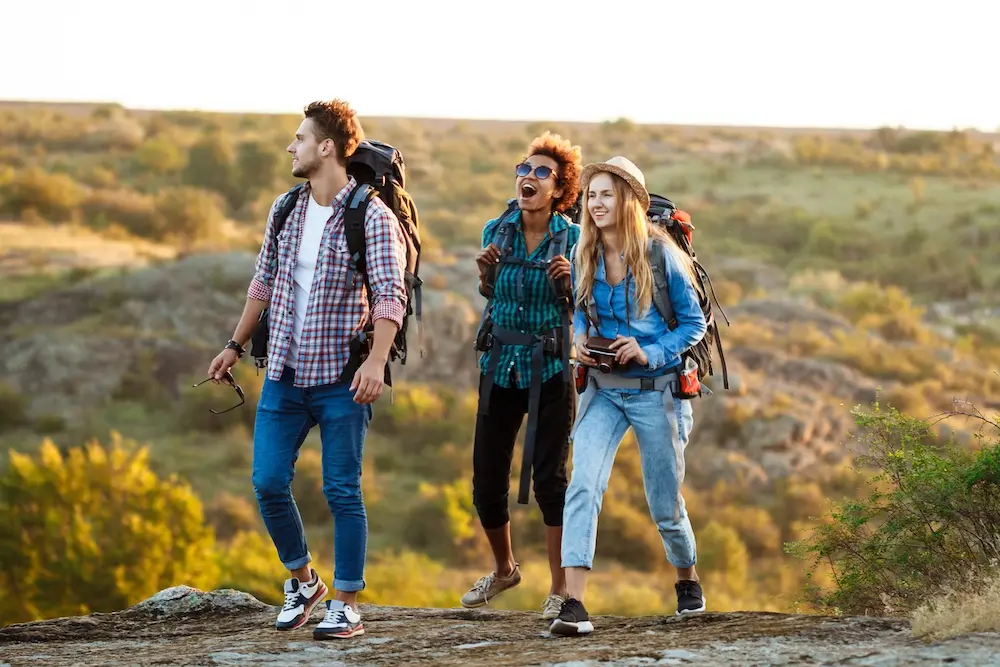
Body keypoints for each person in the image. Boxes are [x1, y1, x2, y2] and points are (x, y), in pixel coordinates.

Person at [205, 99, 408, 640]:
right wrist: (234, 344)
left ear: (326, 147)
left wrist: (375, 360)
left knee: (343, 490)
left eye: (298, 138)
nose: (290, 147)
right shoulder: (285, 208)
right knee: (268, 481)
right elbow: (263, 282)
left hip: (344, 377)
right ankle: (303, 580)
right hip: (284, 374)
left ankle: (346, 604)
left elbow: (391, 295)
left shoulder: (371, 214)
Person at [549, 156, 708, 637]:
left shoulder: (662, 257)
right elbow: (579, 310)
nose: (596, 204)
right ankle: (573, 604)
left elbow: (694, 325)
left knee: (664, 503)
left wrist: (648, 348)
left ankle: (686, 576)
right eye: (591, 195)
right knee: (582, 487)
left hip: (657, 392)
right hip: (602, 389)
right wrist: (578, 339)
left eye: (606, 194)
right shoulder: (584, 252)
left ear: (629, 202)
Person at [461, 133, 583, 621]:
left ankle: (559, 590)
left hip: (552, 367)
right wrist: (485, 274)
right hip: (499, 366)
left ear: (559, 189)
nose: (527, 178)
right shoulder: (497, 228)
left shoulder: (575, 240)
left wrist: (567, 282)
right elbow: (492, 293)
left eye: (540, 173)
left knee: (551, 483)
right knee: (486, 483)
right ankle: (506, 569)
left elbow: (589, 308)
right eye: (523, 169)